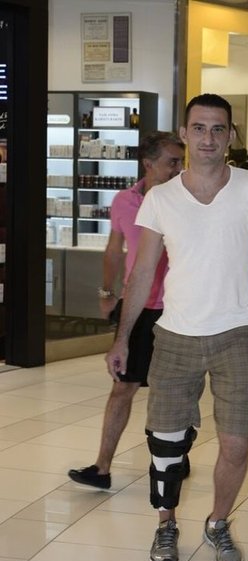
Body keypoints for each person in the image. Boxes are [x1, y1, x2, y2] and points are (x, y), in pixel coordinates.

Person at [106, 93, 248, 561]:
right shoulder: (161, 198)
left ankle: (218, 523)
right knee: (166, 445)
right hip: (174, 336)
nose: (208, 138)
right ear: (185, 134)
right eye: (199, 128)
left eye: (218, 129)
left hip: (237, 334)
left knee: (237, 443)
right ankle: (166, 524)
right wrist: (122, 338)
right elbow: (142, 273)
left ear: (230, 135)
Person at [68, 132, 185, 490]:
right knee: (123, 387)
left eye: (181, 161)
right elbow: (113, 249)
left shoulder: (187, 200)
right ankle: (101, 468)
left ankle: (175, 457)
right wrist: (107, 292)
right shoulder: (124, 201)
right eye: (172, 162)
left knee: (174, 390)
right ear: (148, 164)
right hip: (139, 306)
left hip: (179, 307)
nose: (179, 169)